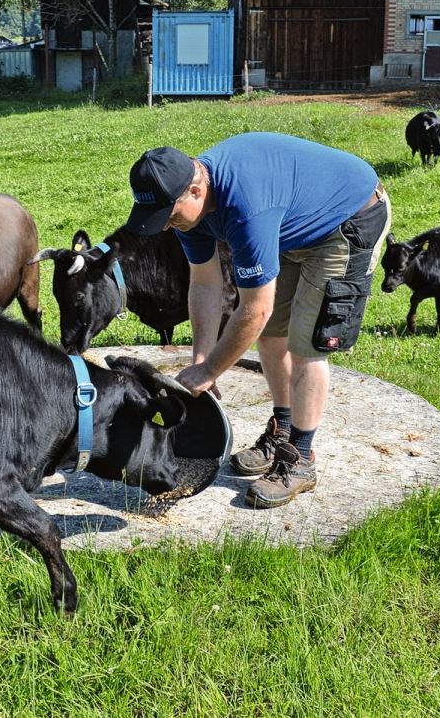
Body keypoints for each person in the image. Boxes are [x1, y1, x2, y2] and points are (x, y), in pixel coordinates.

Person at [124, 133, 391, 508]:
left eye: (167, 217)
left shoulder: (245, 207)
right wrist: (201, 360)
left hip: (347, 219)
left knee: (306, 346)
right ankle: (283, 428)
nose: (166, 226)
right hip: (291, 225)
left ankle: (300, 458)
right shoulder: (190, 213)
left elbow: (254, 309)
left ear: (196, 192)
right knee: (271, 336)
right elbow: (204, 285)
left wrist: (212, 370)